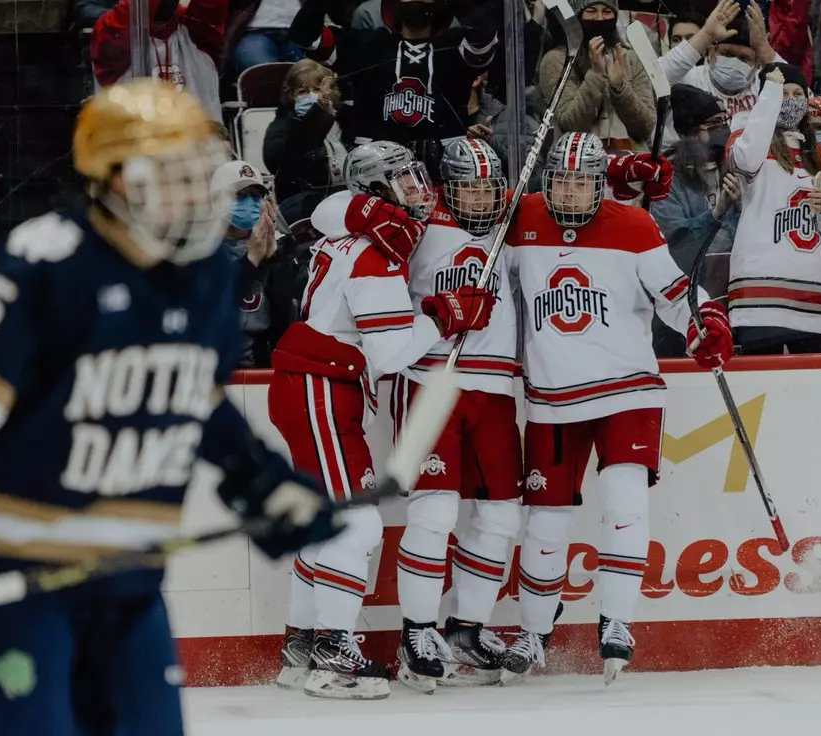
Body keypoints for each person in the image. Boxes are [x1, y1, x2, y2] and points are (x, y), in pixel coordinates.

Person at [0, 79, 343, 736]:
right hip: (18, 581)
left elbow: (196, 398)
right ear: (112, 182)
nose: (195, 193)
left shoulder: (206, 277)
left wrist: (258, 479)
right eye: (173, 176)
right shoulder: (49, 264)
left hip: (129, 584)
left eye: (198, 173)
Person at [497, 131, 730, 685]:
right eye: (561, 180)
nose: (571, 192)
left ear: (600, 183)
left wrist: (706, 322)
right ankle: (533, 631)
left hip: (628, 389)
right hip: (551, 396)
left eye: (583, 181)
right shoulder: (521, 218)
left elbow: (674, 293)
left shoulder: (632, 224)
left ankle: (617, 622)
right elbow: (476, 243)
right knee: (546, 523)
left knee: (624, 501)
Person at [267, 141, 494, 700]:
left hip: (314, 388)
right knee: (357, 525)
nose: (420, 187)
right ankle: (332, 655)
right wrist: (446, 313)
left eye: (419, 176)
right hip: (321, 390)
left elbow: (330, 210)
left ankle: (301, 647)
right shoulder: (376, 256)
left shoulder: (355, 234)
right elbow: (393, 355)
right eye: (404, 180)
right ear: (374, 191)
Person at [289, 0, 499, 156]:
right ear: (394, 3)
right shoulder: (366, 45)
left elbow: (485, 35)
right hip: (376, 163)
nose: (416, 0)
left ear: (438, 6)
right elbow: (304, 35)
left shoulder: (455, 46)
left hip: (445, 163)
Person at [726, 63, 821, 354]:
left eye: (796, 94)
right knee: (758, 392)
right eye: (782, 93)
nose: (789, 100)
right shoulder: (745, 141)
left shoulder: (819, 156)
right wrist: (768, 96)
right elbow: (745, 159)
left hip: (812, 295)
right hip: (757, 294)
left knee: (809, 393)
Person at [91, 0, 227, 122]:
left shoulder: (194, 28)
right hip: (134, 145)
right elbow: (136, 11)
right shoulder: (109, 28)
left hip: (197, 145)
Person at [651, 85, 740, 358]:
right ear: (690, 130)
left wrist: (737, 208)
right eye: (713, 124)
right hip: (680, 308)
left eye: (724, 121)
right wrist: (716, 214)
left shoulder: (735, 166)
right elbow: (674, 241)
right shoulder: (667, 178)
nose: (721, 129)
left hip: (732, 299)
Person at [537, 0, 657, 152]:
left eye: (607, 12)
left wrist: (619, 88)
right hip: (579, 167)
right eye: (591, 11)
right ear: (575, 18)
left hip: (630, 164)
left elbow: (645, 126)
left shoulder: (630, 58)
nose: (600, 18)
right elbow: (571, 124)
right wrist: (595, 75)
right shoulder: (557, 60)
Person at [212, 161, 304, 367]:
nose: (250, 203)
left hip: (261, 369)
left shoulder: (278, 248)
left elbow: (284, 326)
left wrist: (275, 259)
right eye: (240, 196)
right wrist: (251, 260)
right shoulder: (201, 252)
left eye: (255, 196)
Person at [662, 0, 778, 133]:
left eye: (744, 58)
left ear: (756, 63)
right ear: (711, 51)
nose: (734, 62)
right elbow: (657, 77)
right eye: (727, 54)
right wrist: (706, 34)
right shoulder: (690, 78)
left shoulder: (764, 83)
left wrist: (766, 51)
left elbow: (796, 92)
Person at [262, 59, 349, 206]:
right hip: (301, 203)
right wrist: (319, 112)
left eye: (316, 89)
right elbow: (280, 163)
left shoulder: (343, 119)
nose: (312, 96)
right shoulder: (281, 126)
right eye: (302, 91)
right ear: (291, 95)